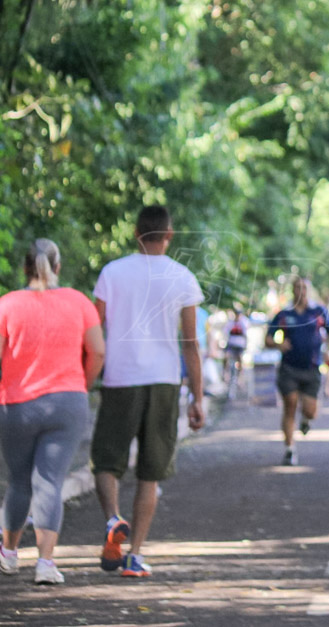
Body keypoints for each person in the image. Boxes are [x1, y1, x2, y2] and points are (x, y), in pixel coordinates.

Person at [91, 205, 205, 578]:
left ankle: (112, 519)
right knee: (150, 472)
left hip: (120, 379)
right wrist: (197, 398)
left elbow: (94, 329)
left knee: (106, 462)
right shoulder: (183, 277)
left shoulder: (112, 273)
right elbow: (191, 344)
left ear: (136, 233)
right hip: (164, 382)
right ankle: (134, 555)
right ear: (169, 235)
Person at [0, 239, 105, 584]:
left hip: (16, 405)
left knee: (19, 482)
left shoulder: (7, 305)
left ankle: (10, 555)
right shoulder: (78, 302)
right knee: (49, 481)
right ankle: (45, 564)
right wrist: (81, 385)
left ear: (25, 268)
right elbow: (98, 352)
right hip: (67, 403)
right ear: (57, 267)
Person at [264, 277, 329, 465]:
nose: (301, 291)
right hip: (289, 368)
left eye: (304, 288)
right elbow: (268, 339)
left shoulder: (318, 312)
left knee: (311, 411)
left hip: (311, 369)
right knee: (290, 404)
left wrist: (328, 349)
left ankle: (306, 420)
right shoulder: (284, 314)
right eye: (297, 287)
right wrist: (278, 344)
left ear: (309, 291)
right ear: (292, 290)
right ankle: (289, 449)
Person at [222, 306, 249, 394]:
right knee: (226, 356)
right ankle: (225, 372)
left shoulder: (243, 322)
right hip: (231, 344)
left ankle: (240, 377)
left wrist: (246, 345)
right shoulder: (230, 323)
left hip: (240, 345)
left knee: (240, 359)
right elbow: (225, 332)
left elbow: (246, 334)